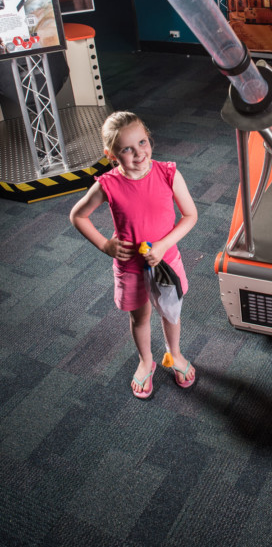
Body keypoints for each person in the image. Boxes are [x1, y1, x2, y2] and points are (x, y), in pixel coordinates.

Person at [70, 111, 198, 398]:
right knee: (140, 318)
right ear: (111, 154)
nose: (139, 153)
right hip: (130, 267)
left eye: (142, 142)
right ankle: (145, 361)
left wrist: (164, 245)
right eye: (127, 149)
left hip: (167, 263)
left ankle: (174, 354)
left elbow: (190, 215)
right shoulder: (108, 184)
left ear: (149, 139)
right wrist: (105, 245)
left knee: (171, 313)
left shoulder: (168, 173)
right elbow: (78, 216)